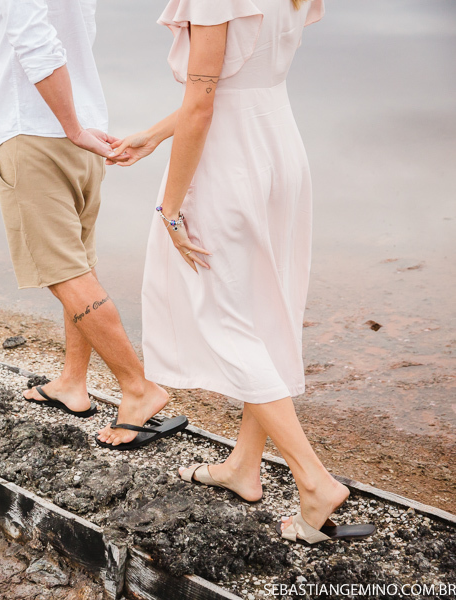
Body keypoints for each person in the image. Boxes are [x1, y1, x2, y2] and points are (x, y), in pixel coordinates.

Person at [105, 0, 376, 543]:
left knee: (223, 316)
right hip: (278, 148)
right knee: (263, 311)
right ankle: (243, 466)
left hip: (228, 163)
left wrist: (172, 207)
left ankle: (314, 480)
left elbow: (206, 103)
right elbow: (240, 83)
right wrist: (155, 135)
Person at [0, 0, 188, 450]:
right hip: (84, 135)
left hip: (39, 131)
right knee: (81, 268)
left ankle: (138, 388)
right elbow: (75, 34)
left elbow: (36, 41)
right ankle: (73, 383)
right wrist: (80, 127)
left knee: (64, 274)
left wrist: (70, 126)